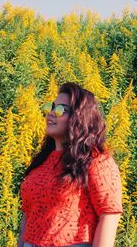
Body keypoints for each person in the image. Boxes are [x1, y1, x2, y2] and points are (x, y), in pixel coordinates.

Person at [18, 82, 123, 247]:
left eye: (61, 110)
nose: (52, 113)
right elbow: (27, 215)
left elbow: (109, 212)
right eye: (50, 107)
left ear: (79, 118)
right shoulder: (41, 162)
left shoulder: (96, 160)